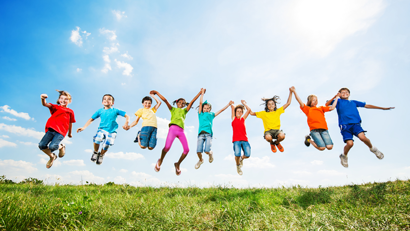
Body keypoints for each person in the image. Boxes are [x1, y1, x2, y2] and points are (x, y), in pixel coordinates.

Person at [326, 88, 395, 168]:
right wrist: (335, 97)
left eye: (347, 92)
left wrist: (382, 108)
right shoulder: (337, 101)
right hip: (344, 125)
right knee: (350, 144)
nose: (345, 93)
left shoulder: (354, 102)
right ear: (339, 94)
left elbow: (367, 106)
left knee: (363, 138)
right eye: (342, 92)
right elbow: (327, 104)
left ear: (349, 94)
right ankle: (344, 156)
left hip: (355, 124)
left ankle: (373, 149)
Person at [151, 89, 202, 176]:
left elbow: (193, 101)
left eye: (183, 103)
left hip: (181, 131)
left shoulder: (185, 111)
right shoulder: (172, 109)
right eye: (180, 102)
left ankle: (177, 164)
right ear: (177, 102)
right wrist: (157, 93)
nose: (181, 104)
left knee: (186, 150)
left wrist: (200, 93)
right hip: (173, 129)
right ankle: (161, 160)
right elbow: (165, 100)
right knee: (166, 147)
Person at [76, 94, 129, 165]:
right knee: (97, 139)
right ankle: (95, 152)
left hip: (112, 131)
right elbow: (91, 119)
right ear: (102, 102)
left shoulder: (116, 110)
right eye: (105, 99)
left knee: (107, 145)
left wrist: (126, 123)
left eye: (109, 99)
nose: (106, 100)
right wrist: (83, 127)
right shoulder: (100, 111)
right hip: (101, 129)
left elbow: (127, 116)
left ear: (112, 103)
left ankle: (101, 155)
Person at [242, 87, 292, 153]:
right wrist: (244, 104)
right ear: (267, 106)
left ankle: (276, 143)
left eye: (272, 104)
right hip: (268, 132)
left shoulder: (278, 111)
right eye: (269, 104)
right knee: (268, 137)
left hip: (277, 131)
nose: (271, 105)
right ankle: (271, 143)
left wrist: (291, 92)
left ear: (275, 105)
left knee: (282, 136)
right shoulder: (263, 113)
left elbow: (288, 103)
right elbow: (251, 113)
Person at [195, 88, 233, 169]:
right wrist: (202, 93)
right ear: (202, 108)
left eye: (207, 108)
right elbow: (200, 102)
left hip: (208, 134)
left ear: (210, 109)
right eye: (204, 108)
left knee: (206, 151)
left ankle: (210, 154)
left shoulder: (211, 115)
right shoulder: (200, 114)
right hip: (200, 134)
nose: (205, 109)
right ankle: (201, 160)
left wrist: (228, 104)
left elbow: (221, 110)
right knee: (198, 151)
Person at [291, 86, 339, 151]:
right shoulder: (307, 109)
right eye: (313, 100)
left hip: (324, 129)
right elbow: (299, 101)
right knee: (322, 148)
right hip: (314, 130)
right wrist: (294, 91)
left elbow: (332, 108)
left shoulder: (321, 108)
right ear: (309, 101)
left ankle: (310, 139)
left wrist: (336, 98)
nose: (315, 101)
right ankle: (308, 139)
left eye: (316, 100)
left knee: (330, 147)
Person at [39, 90, 75, 169]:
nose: (63, 100)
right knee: (41, 145)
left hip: (61, 132)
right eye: (61, 98)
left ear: (69, 101)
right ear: (59, 100)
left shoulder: (70, 111)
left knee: (52, 146)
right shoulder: (55, 107)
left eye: (66, 99)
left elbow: (70, 123)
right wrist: (42, 99)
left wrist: (70, 133)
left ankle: (61, 147)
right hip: (51, 130)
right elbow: (45, 104)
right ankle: (52, 157)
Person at [230, 101, 251, 175]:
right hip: (236, 140)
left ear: (242, 113)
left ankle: (242, 159)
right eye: (237, 111)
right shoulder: (233, 119)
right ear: (235, 113)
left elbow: (249, 110)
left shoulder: (243, 119)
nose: (239, 112)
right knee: (237, 154)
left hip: (245, 140)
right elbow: (232, 107)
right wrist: (232, 105)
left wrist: (244, 103)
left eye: (240, 111)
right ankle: (238, 166)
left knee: (248, 155)